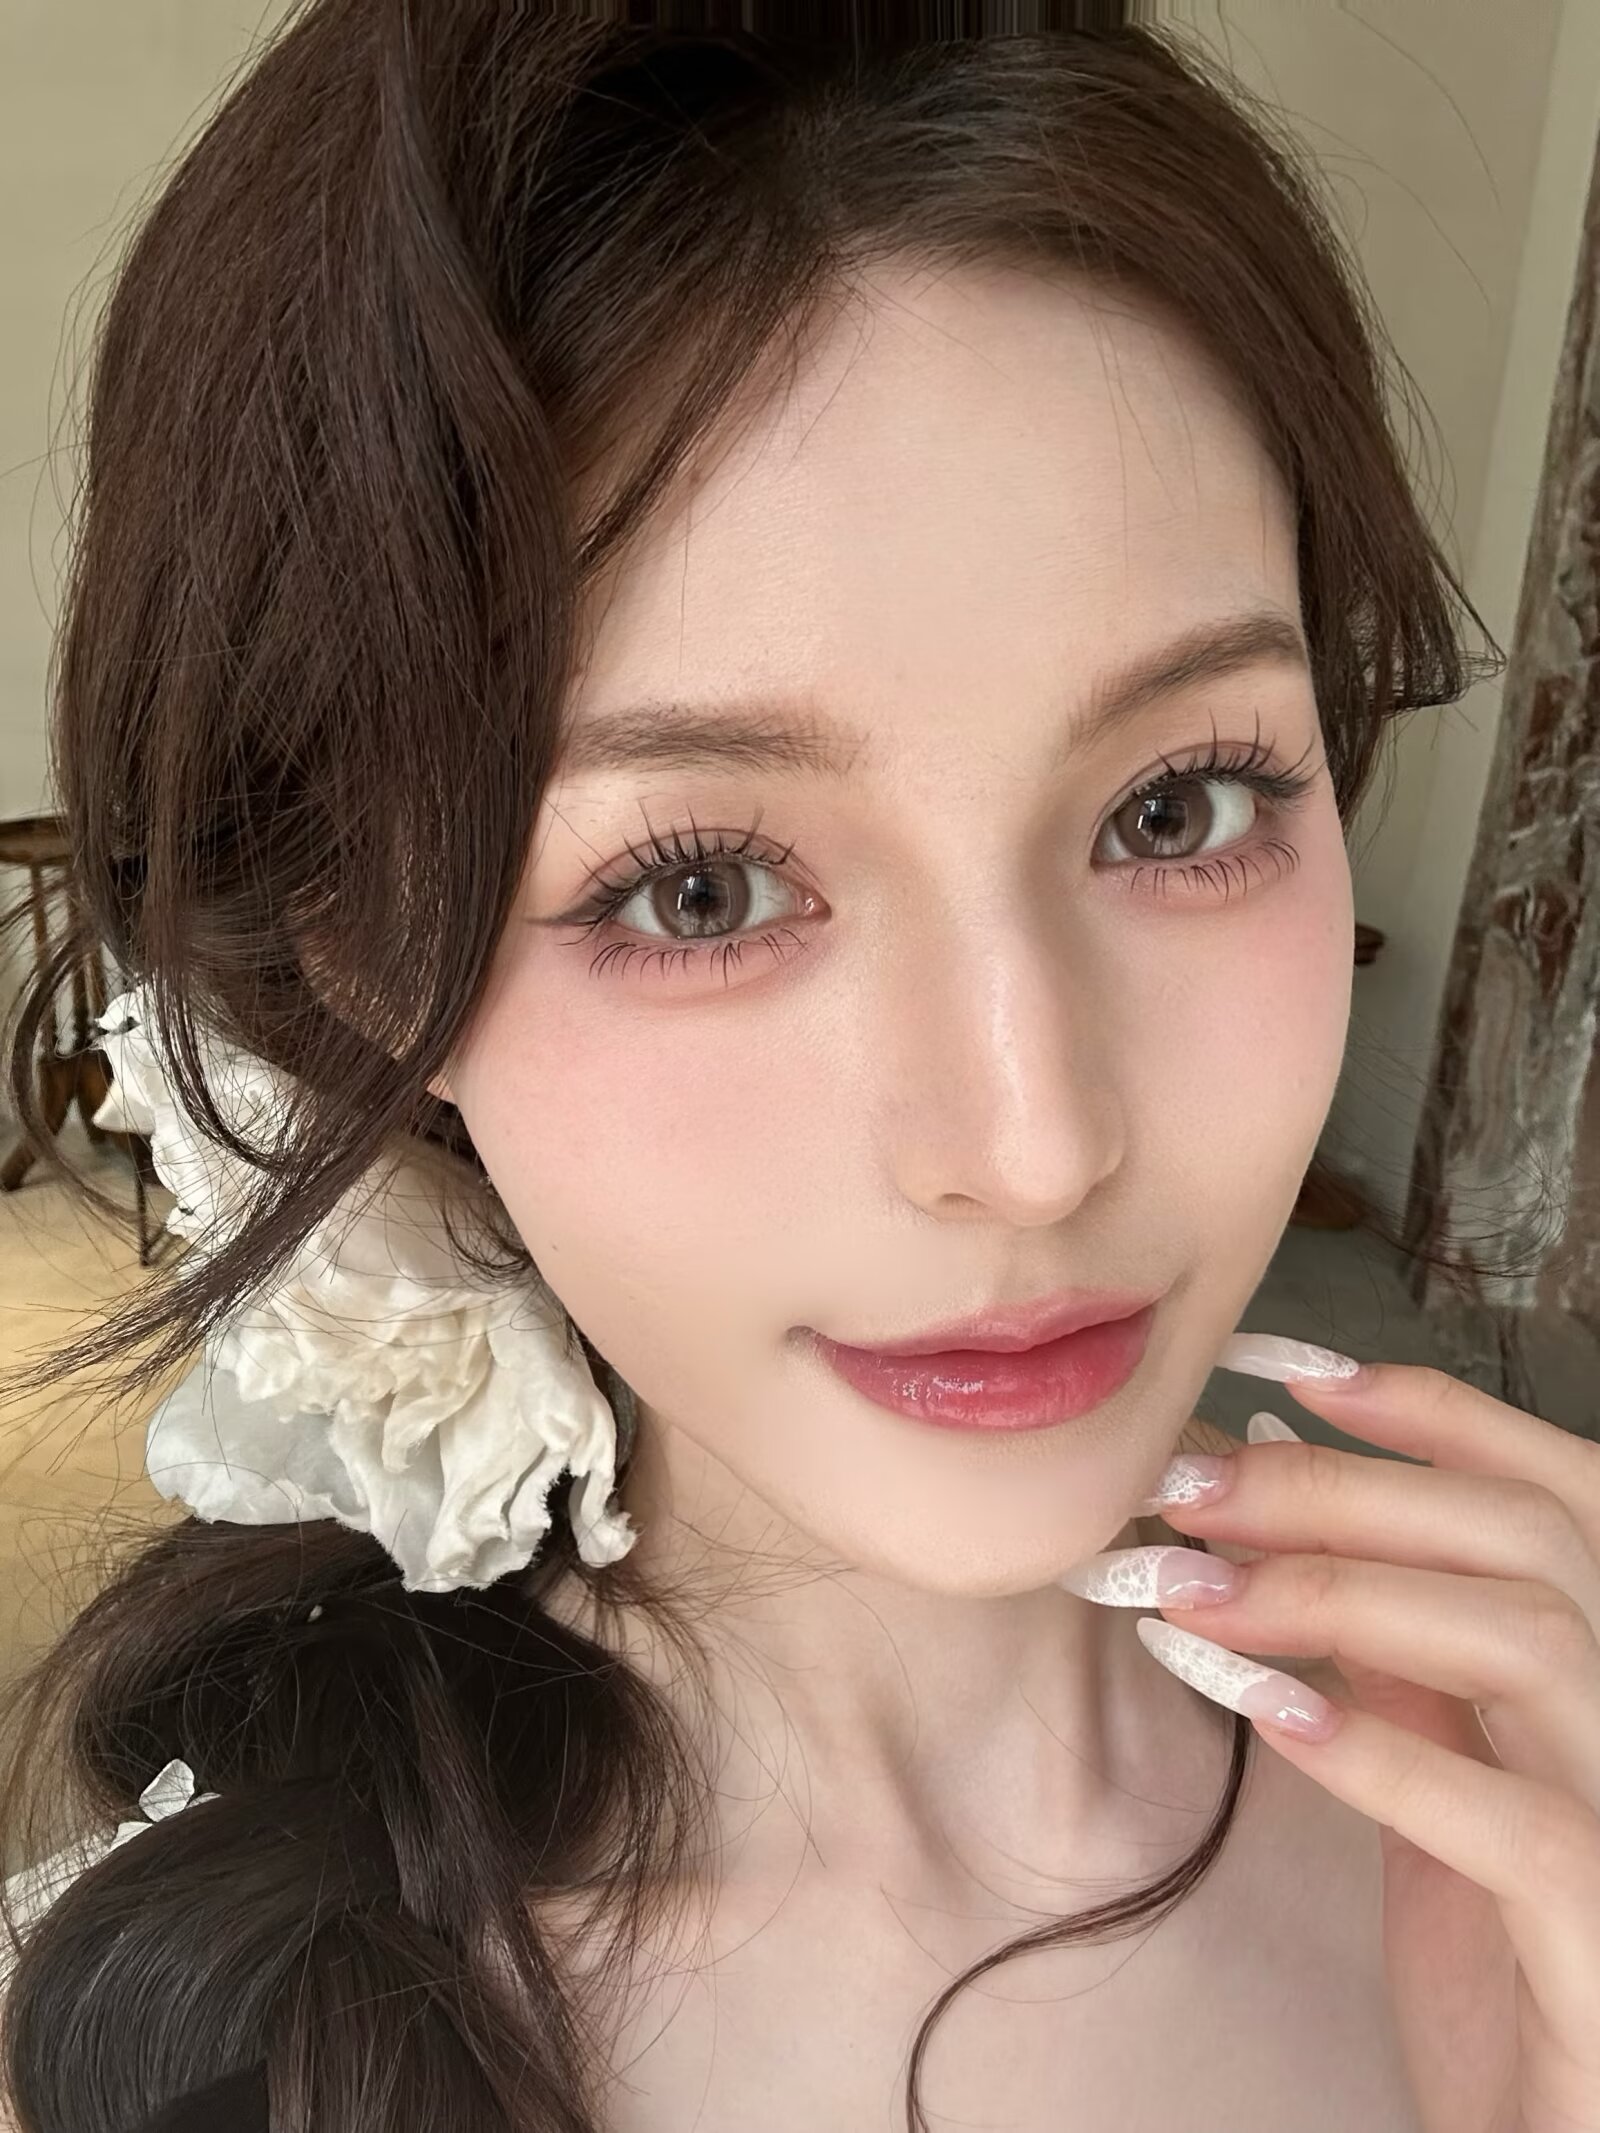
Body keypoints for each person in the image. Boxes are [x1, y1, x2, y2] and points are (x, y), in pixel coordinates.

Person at [3, 9, 1598, 2132]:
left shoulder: (1542, 1845)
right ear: (369, 957)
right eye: (703, 889)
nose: (1034, 1143)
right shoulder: (222, 2051)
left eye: (1178, 805)